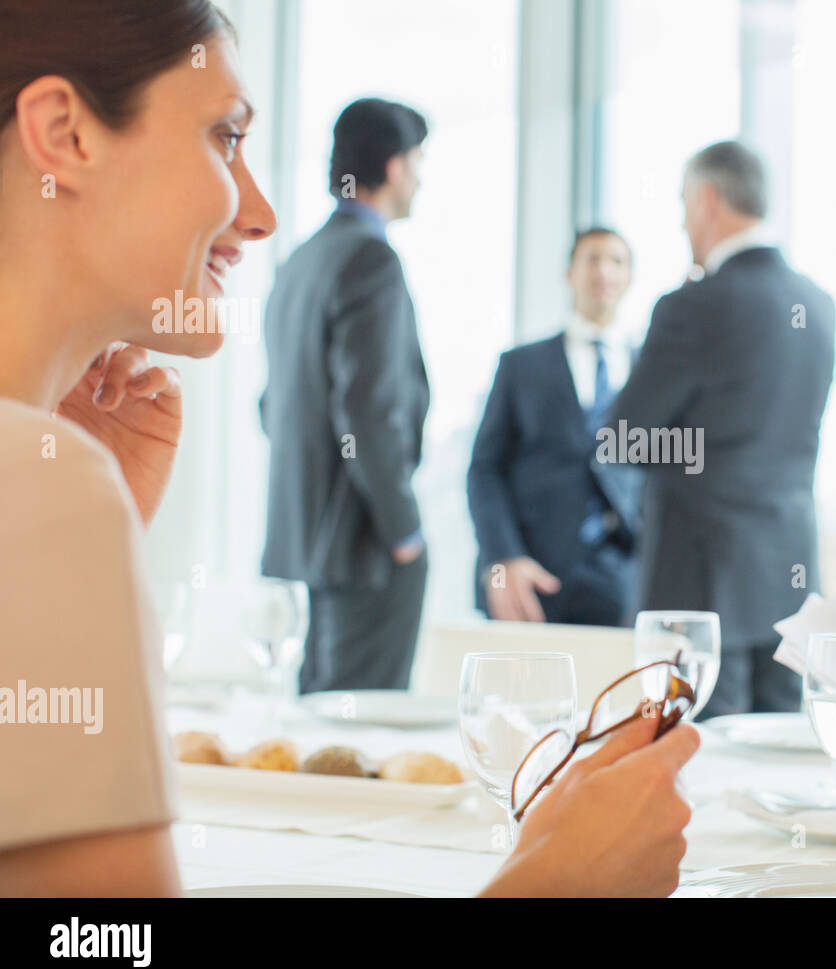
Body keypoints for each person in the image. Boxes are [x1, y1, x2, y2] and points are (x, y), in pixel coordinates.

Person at [0, 0, 698, 898]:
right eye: (224, 137)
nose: (258, 213)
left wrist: (84, 544)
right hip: (362, 543)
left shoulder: (56, 481)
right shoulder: (49, 491)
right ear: (65, 134)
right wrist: (551, 882)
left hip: (295, 538)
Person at [609, 140, 835, 718]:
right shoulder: (817, 303)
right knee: (778, 757)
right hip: (790, 574)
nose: (682, 220)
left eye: (684, 202)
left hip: (702, 580)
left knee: (704, 761)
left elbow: (622, 438)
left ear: (708, 199)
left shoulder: (693, 304)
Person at [260, 98, 431, 695]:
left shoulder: (299, 263)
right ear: (390, 166)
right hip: (362, 543)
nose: (419, 178)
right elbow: (366, 411)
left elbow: (271, 405)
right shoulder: (370, 260)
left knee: (320, 728)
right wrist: (403, 529)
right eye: (415, 163)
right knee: (366, 735)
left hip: (302, 540)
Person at [468, 227, 641, 625]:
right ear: (569, 273)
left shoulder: (650, 367)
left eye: (616, 261)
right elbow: (484, 470)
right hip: (532, 578)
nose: (603, 271)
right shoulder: (521, 366)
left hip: (622, 580)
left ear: (629, 278)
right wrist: (502, 559)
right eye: (591, 259)